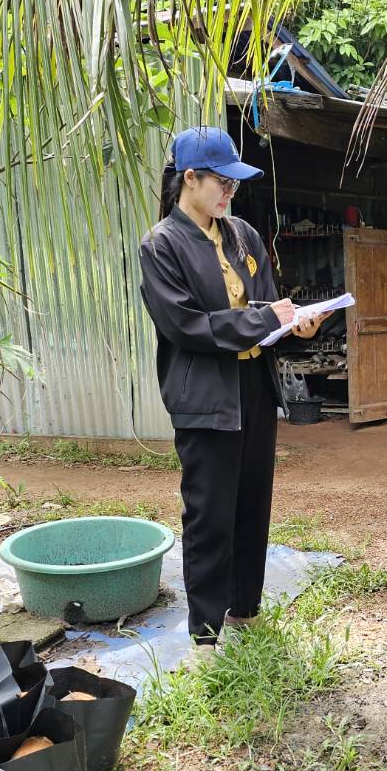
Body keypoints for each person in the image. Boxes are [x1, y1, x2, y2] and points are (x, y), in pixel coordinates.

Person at [138, 126, 323, 644]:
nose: (229, 193)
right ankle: (204, 633)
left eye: (234, 185)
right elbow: (186, 325)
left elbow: (261, 305)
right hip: (204, 395)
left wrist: (293, 323)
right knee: (209, 515)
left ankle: (246, 610)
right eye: (221, 183)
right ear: (189, 179)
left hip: (253, 386)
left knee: (251, 505)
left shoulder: (243, 234)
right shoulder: (161, 245)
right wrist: (264, 321)